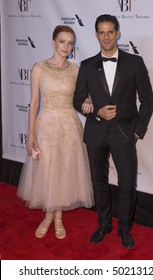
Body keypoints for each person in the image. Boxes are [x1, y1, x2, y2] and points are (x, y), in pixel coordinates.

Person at [73, 14, 153, 249]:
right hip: (96, 132)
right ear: (96, 34)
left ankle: (124, 228)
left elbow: (147, 100)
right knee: (99, 182)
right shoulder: (87, 65)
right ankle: (103, 223)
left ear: (118, 33)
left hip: (125, 133)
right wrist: (96, 112)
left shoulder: (135, 62)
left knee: (127, 184)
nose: (106, 36)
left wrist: (137, 131)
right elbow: (78, 100)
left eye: (110, 31)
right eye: (101, 32)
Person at [17, 25, 94, 239]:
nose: (66, 46)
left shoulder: (76, 70)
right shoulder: (39, 68)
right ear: (53, 42)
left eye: (70, 43)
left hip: (69, 126)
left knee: (64, 170)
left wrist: (88, 100)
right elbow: (33, 103)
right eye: (62, 41)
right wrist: (30, 134)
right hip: (46, 125)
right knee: (47, 169)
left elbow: (82, 97)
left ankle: (58, 217)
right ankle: (48, 215)